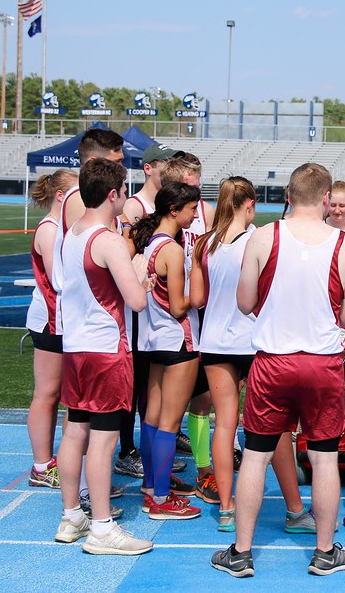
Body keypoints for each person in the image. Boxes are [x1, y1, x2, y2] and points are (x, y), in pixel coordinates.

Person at [213, 163, 345, 577]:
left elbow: (244, 302)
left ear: (288, 196)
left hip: (273, 362)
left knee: (257, 457)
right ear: (325, 196)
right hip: (321, 363)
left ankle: (241, 551)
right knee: (325, 458)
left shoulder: (263, 236)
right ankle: (325, 551)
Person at [54, 157, 153, 554]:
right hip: (106, 348)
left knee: (76, 429)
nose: (126, 198)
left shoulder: (72, 233)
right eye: (124, 191)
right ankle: (101, 527)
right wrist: (142, 274)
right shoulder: (108, 240)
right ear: (112, 195)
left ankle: (71, 515)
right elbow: (136, 302)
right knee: (104, 439)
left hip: (76, 346)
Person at [131, 181, 204, 520]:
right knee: (170, 423)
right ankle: (160, 497)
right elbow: (178, 306)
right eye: (191, 209)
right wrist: (200, 294)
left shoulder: (150, 243)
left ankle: (151, 485)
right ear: (174, 210)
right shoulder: (172, 250)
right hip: (178, 341)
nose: (194, 214)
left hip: (153, 340)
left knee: (152, 418)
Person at [189, 176, 258, 532]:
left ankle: (227, 506)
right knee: (262, 426)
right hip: (250, 340)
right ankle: (287, 504)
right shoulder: (256, 240)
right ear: (249, 205)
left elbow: (197, 300)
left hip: (214, 341)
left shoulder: (204, 244)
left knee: (224, 424)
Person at [115, 142, 183, 481]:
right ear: (148, 168)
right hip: (140, 314)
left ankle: (152, 453)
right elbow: (127, 253)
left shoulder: (169, 204)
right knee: (137, 388)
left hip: (157, 317)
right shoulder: (134, 204)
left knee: (151, 392)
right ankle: (128, 450)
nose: (171, 168)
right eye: (165, 163)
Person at [160, 153, 218, 500]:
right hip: (169, 328)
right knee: (162, 412)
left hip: (198, 324)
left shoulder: (204, 214)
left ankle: (202, 469)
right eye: (191, 186)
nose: (197, 195)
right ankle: (160, 482)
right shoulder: (159, 219)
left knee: (203, 400)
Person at [25, 168, 78, 490]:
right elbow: (60, 282)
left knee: (69, 396)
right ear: (61, 196)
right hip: (50, 320)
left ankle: (65, 462)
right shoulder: (49, 230)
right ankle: (42, 465)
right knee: (47, 394)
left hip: (65, 320)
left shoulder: (65, 228)